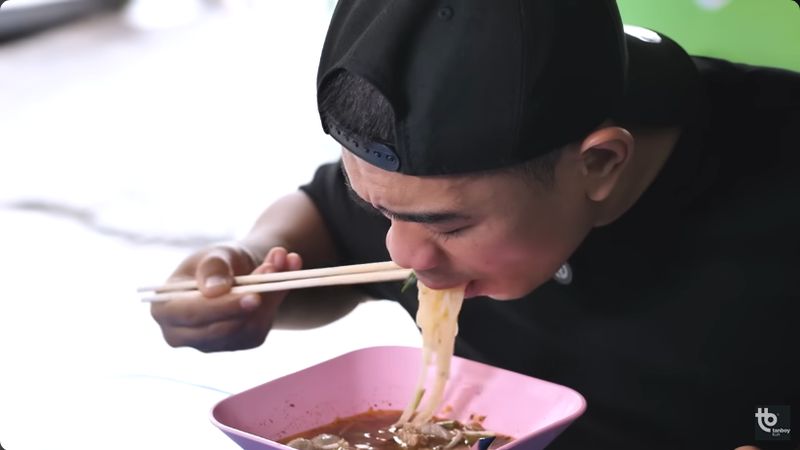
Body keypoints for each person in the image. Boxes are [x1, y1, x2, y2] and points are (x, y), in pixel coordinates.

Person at [150, 1, 800, 448]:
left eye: (448, 226)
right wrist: (250, 265)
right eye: (380, 210)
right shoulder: (430, 171)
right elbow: (320, 217)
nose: (402, 252)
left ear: (599, 164)